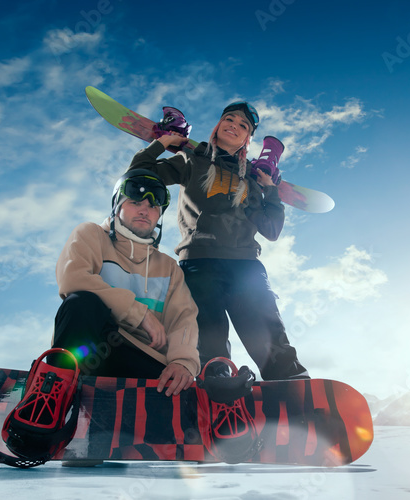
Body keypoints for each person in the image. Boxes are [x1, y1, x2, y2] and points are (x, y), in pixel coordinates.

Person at [128, 101, 310, 380]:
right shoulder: (192, 161)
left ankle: (294, 390)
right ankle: (214, 394)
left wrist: (270, 189)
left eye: (243, 125)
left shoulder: (251, 177)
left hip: (246, 267)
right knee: (208, 345)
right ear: (218, 125)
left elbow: (272, 230)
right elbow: (139, 175)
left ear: (248, 138)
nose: (234, 126)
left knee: (269, 338)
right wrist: (163, 142)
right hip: (199, 265)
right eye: (229, 119)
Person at [51, 168, 200, 396]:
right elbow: (73, 278)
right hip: (90, 351)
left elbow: (183, 318)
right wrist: (139, 314)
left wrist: (183, 362)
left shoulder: (169, 267)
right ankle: (53, 395)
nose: (144, 210)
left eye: (153, 206)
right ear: (117, 207)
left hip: (144, 360)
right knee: (81, 302)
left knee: (180, 383)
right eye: (135, 202)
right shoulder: (91, 235)